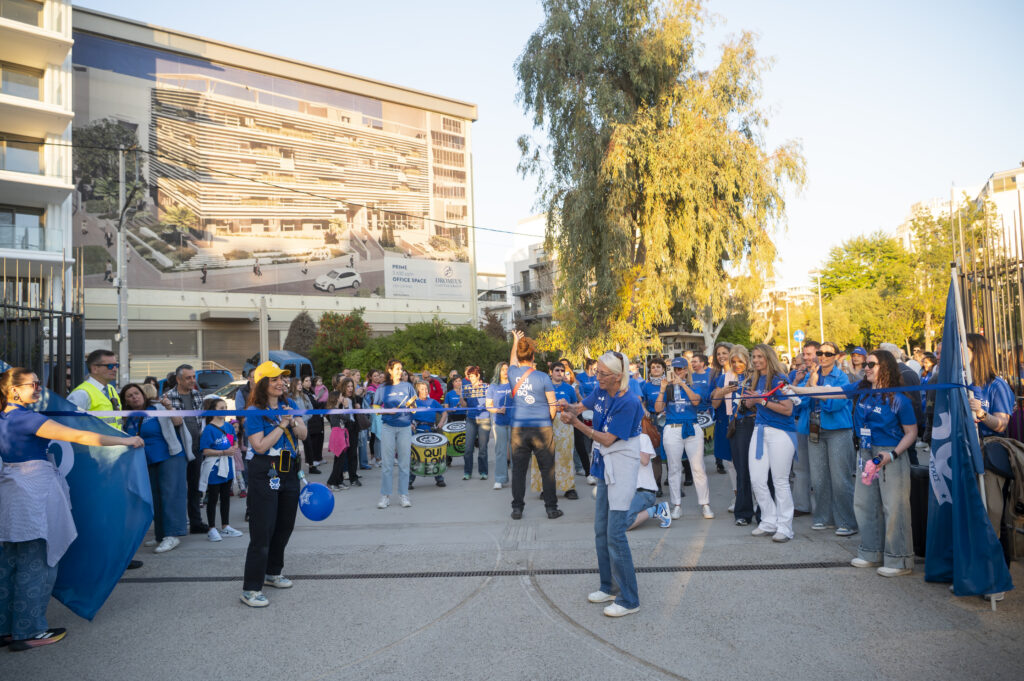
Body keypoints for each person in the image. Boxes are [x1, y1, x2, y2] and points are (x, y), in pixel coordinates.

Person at [1, 367, 143, 650]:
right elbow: (79, 436)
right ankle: (29, 630)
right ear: (14, 389)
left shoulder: (6, 418)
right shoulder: (25, 419)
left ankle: (7, 627)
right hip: (32, 494)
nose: (40, 388)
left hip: (12, 495)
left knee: (10, 564)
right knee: (38, 562)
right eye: (34, 384)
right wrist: (125, 440)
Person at [794, 350, 917, 576]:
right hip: (866, 451)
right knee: (864, 504)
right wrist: (796, 389)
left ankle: (899, 560)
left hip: (889, 455)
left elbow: (911, 433)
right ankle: (871, 552)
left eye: (872, 364)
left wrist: (893, 454)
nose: (866, 367)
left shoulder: (899, 398)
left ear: (886, 367)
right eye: (866, 364)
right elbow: (827, 392)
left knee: (894, 507)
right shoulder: (861, 389)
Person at [559, 351, 644, 617]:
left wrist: (575, 423)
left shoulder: (629, 401)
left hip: (621, 464)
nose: (597, 377)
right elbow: (582, 407)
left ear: (618, 377)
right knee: (601, 530)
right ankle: (609, 586)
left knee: (616, 533)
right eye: (597, 372)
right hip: (605, 465)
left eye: (602, 374)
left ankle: (630, 599)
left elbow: (607, 439)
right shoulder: (601, 389)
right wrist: (569, 407)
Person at [240, 361, 307, 607]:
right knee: (263, 529)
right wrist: (281, 425)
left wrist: (294, 421)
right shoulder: (254, 412)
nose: (281, 382)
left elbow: (304, 435)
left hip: (289, 469)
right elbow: (259, 446)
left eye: (282, 378)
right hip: (265, 470)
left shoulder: (291, 405)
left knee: (285, 525)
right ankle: (250, 589)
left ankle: (273, 572)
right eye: (274, 379)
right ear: (262, 384)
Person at [122, 383, 186, 554]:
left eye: (136, 393)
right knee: (155, 497)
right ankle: (161, 535)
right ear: (126, 401)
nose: (134, 397)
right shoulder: (128, 416)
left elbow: (178, 422)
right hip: (147, 460)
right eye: (129, 395)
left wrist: (170, 407)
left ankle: (173, 534)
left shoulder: (158, 407)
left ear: (143, 394)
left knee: (170, 495)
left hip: (170, 456)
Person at [743, 344, 798, 542]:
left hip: (781, 433)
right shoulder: (756, 378)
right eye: (754, 356)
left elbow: (788, 409)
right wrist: (750, 402)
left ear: (769, 357)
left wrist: (761, 401)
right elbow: (758, 403)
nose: (756, 360)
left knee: (780, 480)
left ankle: (785, 527)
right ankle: (768, 520)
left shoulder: (780, 379)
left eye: (760, 356)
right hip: (760, 430)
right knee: (757, 479)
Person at [507, 330, 561, 520]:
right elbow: (553, 405)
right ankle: (551, 508)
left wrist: (515, 341)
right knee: (547, 469)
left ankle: (517, 508)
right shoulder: (543, 377)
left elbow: (512, 359)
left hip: (518, 429)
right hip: (542, 427)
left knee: (519, 470)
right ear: (533, 355)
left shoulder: (512, 373)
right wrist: (549, 421)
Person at [805, 342, 857, 536]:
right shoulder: (813, 373)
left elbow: (835, 405)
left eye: (828, 353)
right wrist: (810, 384)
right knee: (818, 479)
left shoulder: (842, 377)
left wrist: (814, 387)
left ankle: (847, 522)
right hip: (815, 428)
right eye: (820, 352)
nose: (823, 356)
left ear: (836, 356)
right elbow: (801, 400)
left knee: (840, 479)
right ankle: (823, 518)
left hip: (838, 430)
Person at [655, 357, 713, 520]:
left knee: (698, 467)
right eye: (675, 369)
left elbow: (696, 401)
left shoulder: (696, 385)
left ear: (686, 370)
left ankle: (705, 504)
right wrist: (662, 389)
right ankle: (676, 505)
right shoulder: (666, 387)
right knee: (674, 469)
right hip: (672, 428)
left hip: (692, 427)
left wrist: (681, 383)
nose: (677, 372)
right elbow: (658, 408)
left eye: (680, 369)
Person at [164, 364, 208, 534]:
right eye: (188, 377)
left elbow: (200, 421)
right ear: (178, 379)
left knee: (195, 488)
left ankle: (196, 522)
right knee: (177, 488)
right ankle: (177, 524)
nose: (192, 381)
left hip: (196, 449)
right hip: (178, 450)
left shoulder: (198, 395)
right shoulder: (168, 397)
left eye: (193, 377)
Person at [530, 362, 579, 499]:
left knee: (566, 456)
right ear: (550, 371)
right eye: (557, 370)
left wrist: (567, 406)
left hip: (565, 424)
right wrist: (552, 408)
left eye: (562, 370)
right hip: (546, 423)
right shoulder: (543, 388)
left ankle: (569, 488)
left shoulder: (569, 389)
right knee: (545, 456)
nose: (560, 373)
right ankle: (546, 489)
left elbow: (576, 408)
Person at [198, 398, 244, 542]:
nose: (224, 410)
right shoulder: (209, 429)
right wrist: (223, 453)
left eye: (225, 407)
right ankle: (211, 528)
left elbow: (234, 441)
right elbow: (205, 450)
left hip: (228, 466)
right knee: (213, 498)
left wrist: (234, 446)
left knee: (225, 497)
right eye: (220, 407)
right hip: (214, 467)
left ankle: (225, 526)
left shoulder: (229, 426)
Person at [374, 360, 417, 509]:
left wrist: (412, 407)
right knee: (387, 464)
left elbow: (414, 407)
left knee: (405, 463)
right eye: (397, 369)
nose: (400, 371)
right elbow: (375, 407)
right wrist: (387, 411)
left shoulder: (408, 386)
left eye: (401, 369)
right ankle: (385, 496)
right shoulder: (382, 388)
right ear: (390, 370)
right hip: (388, 427)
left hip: (405, 427)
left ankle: (404, 495)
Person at [966, 334, 1013, 440]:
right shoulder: (963, 383)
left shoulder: (997, 385)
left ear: (977, 353)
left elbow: (1001, 425)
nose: (959, 354)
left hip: (988, 447)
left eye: (963, 349)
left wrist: (980, 412)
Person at [626, 432, 672, 531]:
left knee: (624, 523)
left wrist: (628, 443)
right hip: (628, 493)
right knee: (612, 522)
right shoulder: (617, 440)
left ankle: (656, 510)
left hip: (644, 492)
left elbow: (645, 460)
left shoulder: (642, 437)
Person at [409, 380, 447, 488]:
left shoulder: (433, 402)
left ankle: (439, 479)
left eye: (426, 388)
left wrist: (440, 423)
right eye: (422, 389)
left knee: (434, 454)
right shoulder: (413, 402)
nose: (425, 391)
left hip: (431, 431)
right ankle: (410, 480)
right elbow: (407, 415)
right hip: (417, 432)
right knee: (415, 456)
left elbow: (444, 412)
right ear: (417, 390)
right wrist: (411, 424)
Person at [640, 358, 668, 498]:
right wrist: (644, 409)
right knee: (656, 455)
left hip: (668, 421)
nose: (655, 369)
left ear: (664, 369)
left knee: (670, 453)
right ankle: (657, 485)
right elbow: (642, 402)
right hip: (653, 421)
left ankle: (673, 482)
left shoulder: (669, 384)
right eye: (653, 367)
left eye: (658, 367)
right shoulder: (646, 386)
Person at [560, 358, 591, 478]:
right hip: (560, 420)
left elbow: (582, 403)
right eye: (562, 372)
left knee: (580, 446)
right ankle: (565, 474)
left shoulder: (576, 386)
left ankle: (588, 473)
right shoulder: (554, 386)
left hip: (576, 417)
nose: (565, 375)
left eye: (567, 372)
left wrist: (577, 395)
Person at [460, 366, 491, 481]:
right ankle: (467, 472)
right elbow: (464, 405)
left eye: (472, 376)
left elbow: (490, 402)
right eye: (469, 376)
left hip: (484, 419)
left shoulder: (486, 387)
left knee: (482, 448)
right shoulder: (466, 388)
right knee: (468, 448)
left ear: (478, 376)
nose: (470, 378)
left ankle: (483, 472)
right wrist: (461, 396)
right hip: (471, 419)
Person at [486, 362, 512, 490]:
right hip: (499, 422)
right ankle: (500, 479)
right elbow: (488, 405)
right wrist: (497, 410)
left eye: (507, 369)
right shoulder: (493, 387)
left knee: (516, 452)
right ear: (498, 371)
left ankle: (518, 479)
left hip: (514, 422)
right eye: (502, 370)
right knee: (500, 451)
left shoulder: (514, 385)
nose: (505, 371)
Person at [301, 375, 326, 475]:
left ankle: (317, 458)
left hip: (316, 419)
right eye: (306, 381)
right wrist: (323, 404)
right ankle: (311, 462)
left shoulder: (311, 391)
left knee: (318, 438)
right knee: (310, 442)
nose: (309, 382)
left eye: (309, 381)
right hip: (309, 420)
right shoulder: (304, 393)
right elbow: (313, 405)